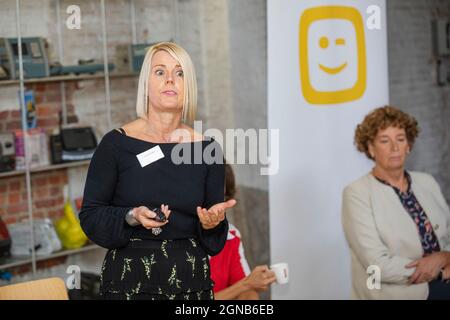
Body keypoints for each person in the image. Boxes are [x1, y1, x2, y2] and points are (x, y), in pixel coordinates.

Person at [79, 42, 236, 300]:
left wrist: (212, 224)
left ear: (189, 86)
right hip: (128, 284)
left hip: (190, 285)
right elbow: (91, 217)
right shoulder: (115, 144)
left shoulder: (208, 149)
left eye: (180, 72)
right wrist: (131, 215)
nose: (170, 80)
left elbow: (214, 242)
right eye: (160, 72)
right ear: (146, 84)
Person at [342, 106, 450, 300]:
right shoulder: (356, 193)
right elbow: (377, 264)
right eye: (384, 140)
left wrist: (444, 257)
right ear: (370, 148)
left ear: (408, 145)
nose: (394, 148)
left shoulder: (427, 181)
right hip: (398, 293)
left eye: (400, 139)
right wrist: (439, 271)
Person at [209, 164, 276, 300]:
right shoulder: (176, 239)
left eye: (219, 195)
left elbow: (247, 291)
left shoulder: (230, 236)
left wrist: (248, 287)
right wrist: (246, 284)